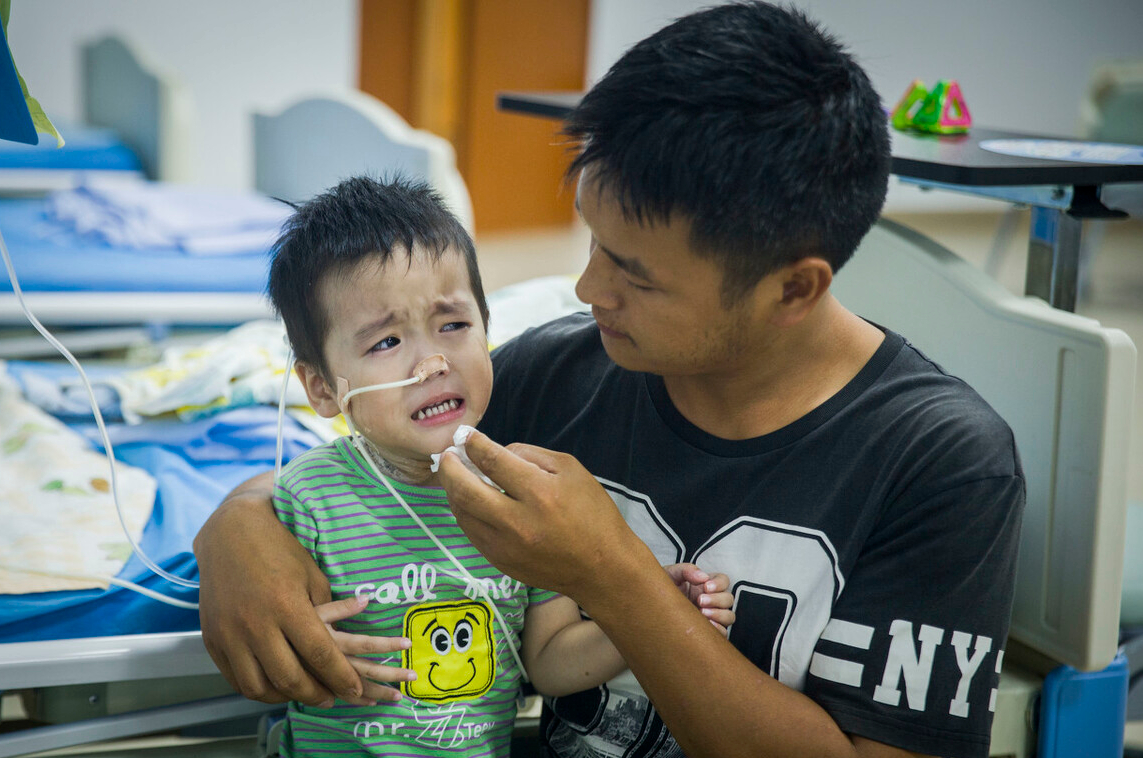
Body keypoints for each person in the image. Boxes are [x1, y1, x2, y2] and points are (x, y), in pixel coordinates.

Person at [195, 4, 1025, 758]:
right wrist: (237, 533)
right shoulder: (558, 374)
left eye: (635, 274)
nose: (588, 288)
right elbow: (372, 463)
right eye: (592, 242)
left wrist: (613, 576)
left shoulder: (938, 464)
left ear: (790, 290)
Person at [256, 175, 735, 757]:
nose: (432, 362)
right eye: (386, 343)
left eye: (453, 325)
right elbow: (268, 635)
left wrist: (657, 610)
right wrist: (301, 654)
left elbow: (551, 664)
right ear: (322, 388)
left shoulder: (527, 501)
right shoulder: (310, 499)